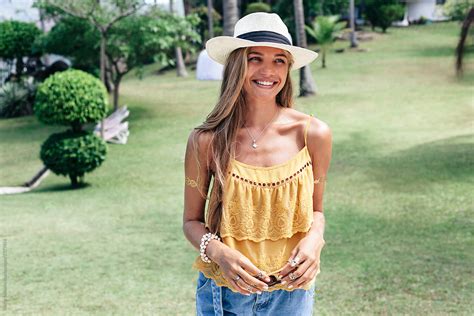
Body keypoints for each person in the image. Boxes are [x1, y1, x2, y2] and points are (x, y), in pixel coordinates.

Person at [183, 12, 332, 315]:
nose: (268, 70)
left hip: (292, 296)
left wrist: (316, 240)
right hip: (223, 296)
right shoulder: (206, 140)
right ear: (237, 64)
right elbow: (190, 222)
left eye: (279, 60)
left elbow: (317, 211)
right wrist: (219, 253)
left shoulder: (313, 134)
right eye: (255, 58)